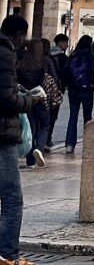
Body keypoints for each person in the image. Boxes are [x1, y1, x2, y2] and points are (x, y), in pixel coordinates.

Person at [0, 15, 46, 265]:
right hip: (2, 134)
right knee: (12, 197)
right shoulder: (5, 54)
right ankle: (7, 255)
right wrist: (29, 101)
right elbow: (5, 99)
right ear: (18, 35)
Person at [16, 38, 52, 168]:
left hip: (27, 98)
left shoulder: (23, 62)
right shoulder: (45, 62)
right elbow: (53, 78)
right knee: (45, 124)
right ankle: (40, 147)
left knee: (31, 127)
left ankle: (30, 159)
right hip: (42, 99)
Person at [64, 35, 94, 153]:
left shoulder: (73, 55)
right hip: (87, 89)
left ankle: (69, 144)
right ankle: (88, 143)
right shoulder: (91, 56)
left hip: (73, 90)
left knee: (73, 116)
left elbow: (66, 71)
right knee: (87, 117)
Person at [47, 33, 69, 148]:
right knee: (53, 115)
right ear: (60, 43)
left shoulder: (47, 55)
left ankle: (41, 138)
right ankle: (47, 138)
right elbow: (65, 75)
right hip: (57, 90)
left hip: (45, 89)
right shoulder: (63, 58)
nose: (67, 46)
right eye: (66, 43)